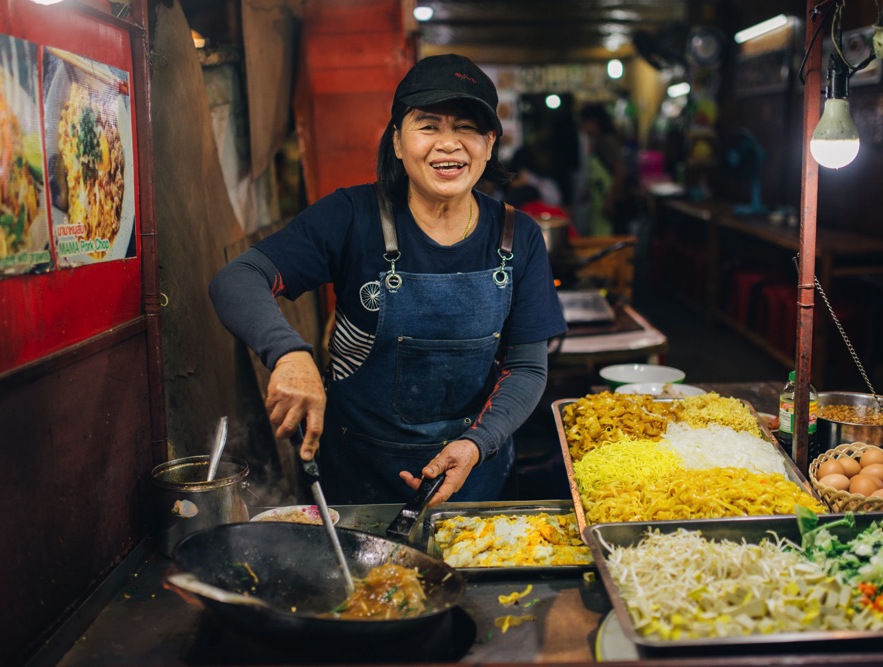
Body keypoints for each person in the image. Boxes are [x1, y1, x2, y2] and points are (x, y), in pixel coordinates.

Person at [209, 54, 567, 506]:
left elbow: (528, 367)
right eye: (429, 126)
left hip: (476, 479)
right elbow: (238, 277)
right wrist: (289, 353)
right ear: (397, 141)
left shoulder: (519, 236)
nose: (449, 144)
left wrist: (478, 443)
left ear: (490, 143)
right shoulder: (351, 217)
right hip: (357, 482)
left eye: (468, 128)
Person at [577, 103, 628, 236]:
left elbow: (620, 172)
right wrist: (588, 189)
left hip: (607, 203)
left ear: (594, 122)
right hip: (598, 202)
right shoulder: (598, 142)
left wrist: (610, 201)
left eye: (584, 123)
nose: (582, 127)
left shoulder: (607, 142)